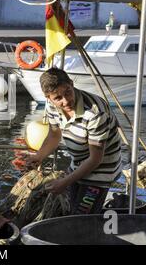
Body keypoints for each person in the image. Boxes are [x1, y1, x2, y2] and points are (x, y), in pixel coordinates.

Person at [26, 68, 122, 214]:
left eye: (68, 92)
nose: (65, 101)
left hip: (102, 170)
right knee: (68, 211)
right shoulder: (52, 106)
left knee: (81, 216)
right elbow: (54, 135)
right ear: (48, 98)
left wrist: (64, 182)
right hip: (77, 164)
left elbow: (96, 159)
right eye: (58, 98)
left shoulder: (95, 112)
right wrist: (38, 156)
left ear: (71, 83)